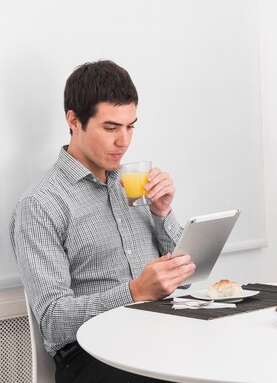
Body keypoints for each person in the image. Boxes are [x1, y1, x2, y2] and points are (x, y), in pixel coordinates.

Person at [10, 60, 196, 382]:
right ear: (74, 120)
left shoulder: (134, 184)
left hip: (159, 332)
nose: (123, 141)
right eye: (111, 128)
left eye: (130, 126)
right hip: (91, 353)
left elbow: (185, 278)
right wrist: (134, 292)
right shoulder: (40, 205)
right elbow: (53, 320)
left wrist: (162, 213)